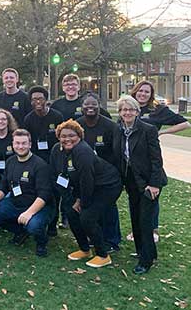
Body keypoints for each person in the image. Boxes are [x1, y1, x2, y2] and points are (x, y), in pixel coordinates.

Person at [49, 120, 122, 268]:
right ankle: (84, 249)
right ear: (58, 137)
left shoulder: (83, 151)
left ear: (80, 136)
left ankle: (103, 255)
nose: (67, 139)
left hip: (107, 185)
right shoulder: (57, 150)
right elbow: (56, 175)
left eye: (72, 135)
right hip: (81, 187)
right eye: (63, 136)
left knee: (87, 216)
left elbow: (87, 180)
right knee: (70, 212)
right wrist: (70, 199)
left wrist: (81, 201)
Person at [130, 80, 189, 242]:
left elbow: (185, 123)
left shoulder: (157, 110)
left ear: (151, 95)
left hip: (149, 157)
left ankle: (153, 230)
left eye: (146, 92)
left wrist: (162, 133)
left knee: (151, 195)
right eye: (140, 91)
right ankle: (136, 230)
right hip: (131, 158)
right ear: (135, 91)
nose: (142, 94)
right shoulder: (128, 107)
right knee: (135, 196)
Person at [114, 95, 167, 274]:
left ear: (137, 112)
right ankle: (143, 251)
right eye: (124, 110)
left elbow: (156, 160)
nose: (127, 113)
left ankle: (146, 261)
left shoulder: (148, 130)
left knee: (145, 221)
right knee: (135, 217)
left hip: (149, 182)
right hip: (131, 182)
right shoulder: (118, 130)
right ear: (120, 112)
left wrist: (154, 184)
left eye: (131, 109)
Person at [0, 129, 53, 257]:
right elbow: (4, 186)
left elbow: (44, 195)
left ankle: (41, 242)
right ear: (13, 144)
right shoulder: (10, 161)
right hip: (16, 203)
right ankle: (20, 231)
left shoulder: (40, 165)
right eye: (17, 143)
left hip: (39, 207)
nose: (20, 146)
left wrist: (29, 213)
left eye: (24, 143)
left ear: (30, 144)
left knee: (33, 225)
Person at [76, 92, 121, 252]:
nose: (90, 107)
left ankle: (112, 240)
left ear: (99, 106)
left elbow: (117, 153)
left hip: (108, 176)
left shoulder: (110, 126)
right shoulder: (77, 125)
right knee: (94, 208)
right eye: (86, 105)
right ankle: (96, 237)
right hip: (88, 173)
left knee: (108, 207)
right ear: (81, 107)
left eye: (93, 104)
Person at [23, 86, 64, 163]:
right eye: (34, 99)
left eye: (41, 99)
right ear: (31, 102)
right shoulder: (28, 119)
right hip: (36, 158)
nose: (38, 102)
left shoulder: (57, 116)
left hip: (55, 156)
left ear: (46, 100)